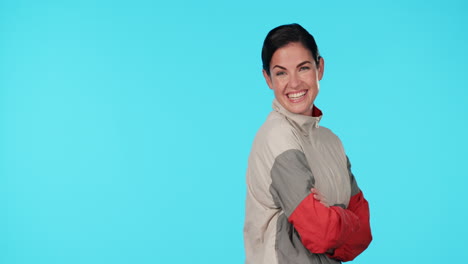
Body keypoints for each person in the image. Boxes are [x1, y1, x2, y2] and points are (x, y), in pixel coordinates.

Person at [244, 23, 372, 264]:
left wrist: (333, 217)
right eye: (281, 72)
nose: (294, 83)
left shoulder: (332, 142)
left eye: (303, 68)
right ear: (268, 79)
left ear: (319, 68)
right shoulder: (277, 138)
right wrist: (346, 218)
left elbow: (364, 235)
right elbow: (322, 235)